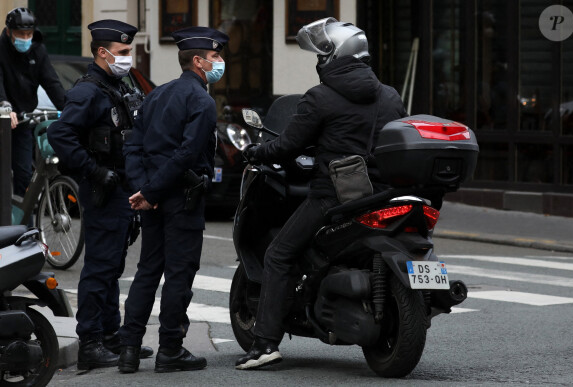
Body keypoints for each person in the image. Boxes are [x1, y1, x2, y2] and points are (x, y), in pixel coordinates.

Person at [235, 18, 407, 370]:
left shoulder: (322, 97)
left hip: (334, 197)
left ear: (333, 56)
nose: (317, 61)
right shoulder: (390, 95)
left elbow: (288, 145)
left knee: (280, 254)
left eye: (320, 54)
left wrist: (255, 152)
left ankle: (265, 344)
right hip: (382, 194)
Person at [116, 26, 229, 374]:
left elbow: (133, 146)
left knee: (147, 271)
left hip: (153, 196)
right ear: (197, 62)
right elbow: (186, 154)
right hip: (181, 198)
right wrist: (150, 193)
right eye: (215, 57)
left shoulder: (155, 95)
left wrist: (144, 191)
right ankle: (170, 349)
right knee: (179, 275)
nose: (220, 62)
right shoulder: (201, 101)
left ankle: (129, 351)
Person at [47, 19, 153, 370]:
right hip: (103, 191)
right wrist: (92, 171)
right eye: (122, 52)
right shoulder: (88, 90)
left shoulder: (116, 86)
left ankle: (111, 335)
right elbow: (60, 134)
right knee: (99, 268)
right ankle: (90, 341)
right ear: (103, 52)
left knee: (111, 266)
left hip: (122, 188)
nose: (127, 58)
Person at [0, 7, 65, 197]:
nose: (25, 38)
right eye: (21, 34)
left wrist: (69, 108)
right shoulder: (1, 49)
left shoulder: (38, 50)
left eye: (29, 34)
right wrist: (4, 105)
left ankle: (24, 225)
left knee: (24, 176)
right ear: (8, 32)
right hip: (4, 116)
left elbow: (52, 83)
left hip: (22, 121)